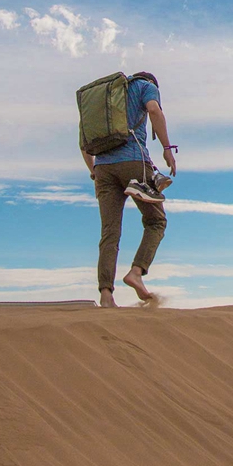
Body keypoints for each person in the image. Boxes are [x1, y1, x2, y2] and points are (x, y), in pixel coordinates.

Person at [79, 72, 177, 307]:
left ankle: (105, 294)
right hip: (133, 162)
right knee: (156, 221)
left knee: (110, 232)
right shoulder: (146, 86)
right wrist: (166, 148)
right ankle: (136, 272)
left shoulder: (102, 99)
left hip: (102, 168)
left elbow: (85, 142)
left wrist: (94, 173)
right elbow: (154, 110)